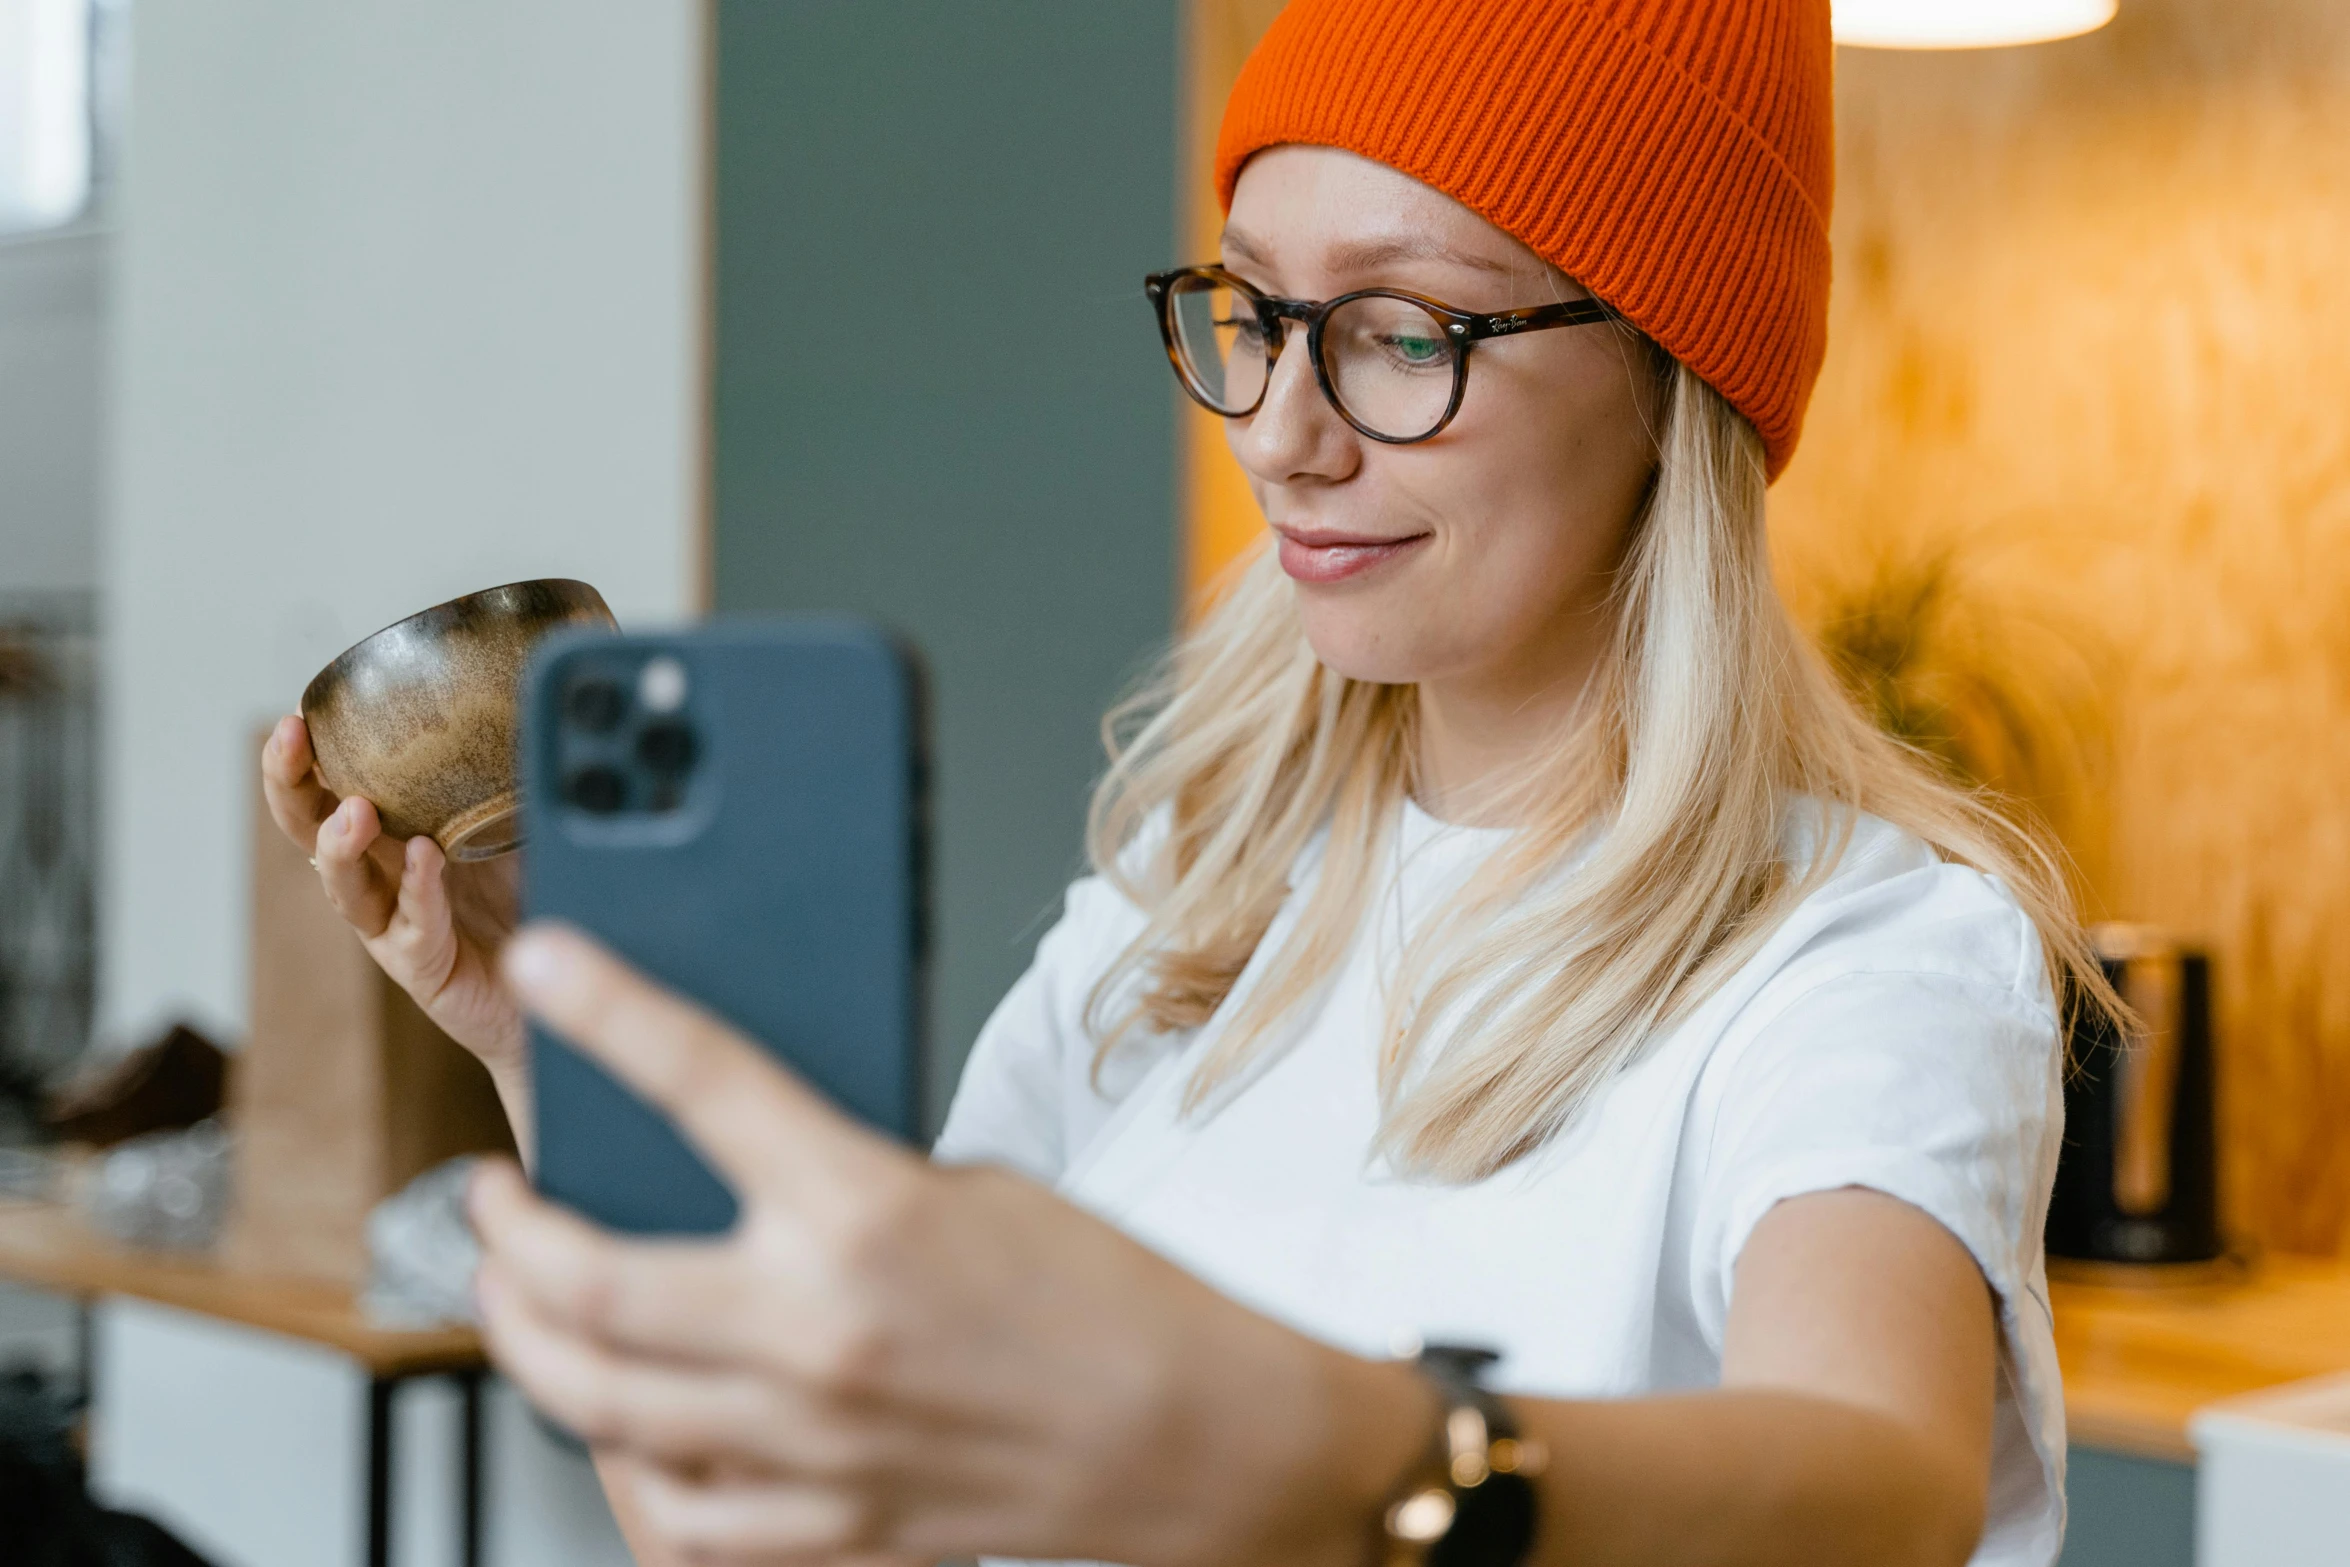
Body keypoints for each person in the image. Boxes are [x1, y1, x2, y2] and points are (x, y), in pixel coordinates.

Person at [261, 1, 2119, 1563]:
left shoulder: (1862, 951)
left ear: (1673, 372)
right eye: (1252, 316)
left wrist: (1334, 1451)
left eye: (1403, 332)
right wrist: (561, 1047)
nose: (1288, 437)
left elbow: (1877, 1484)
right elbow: (766, 1526)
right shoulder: (1192, 887)